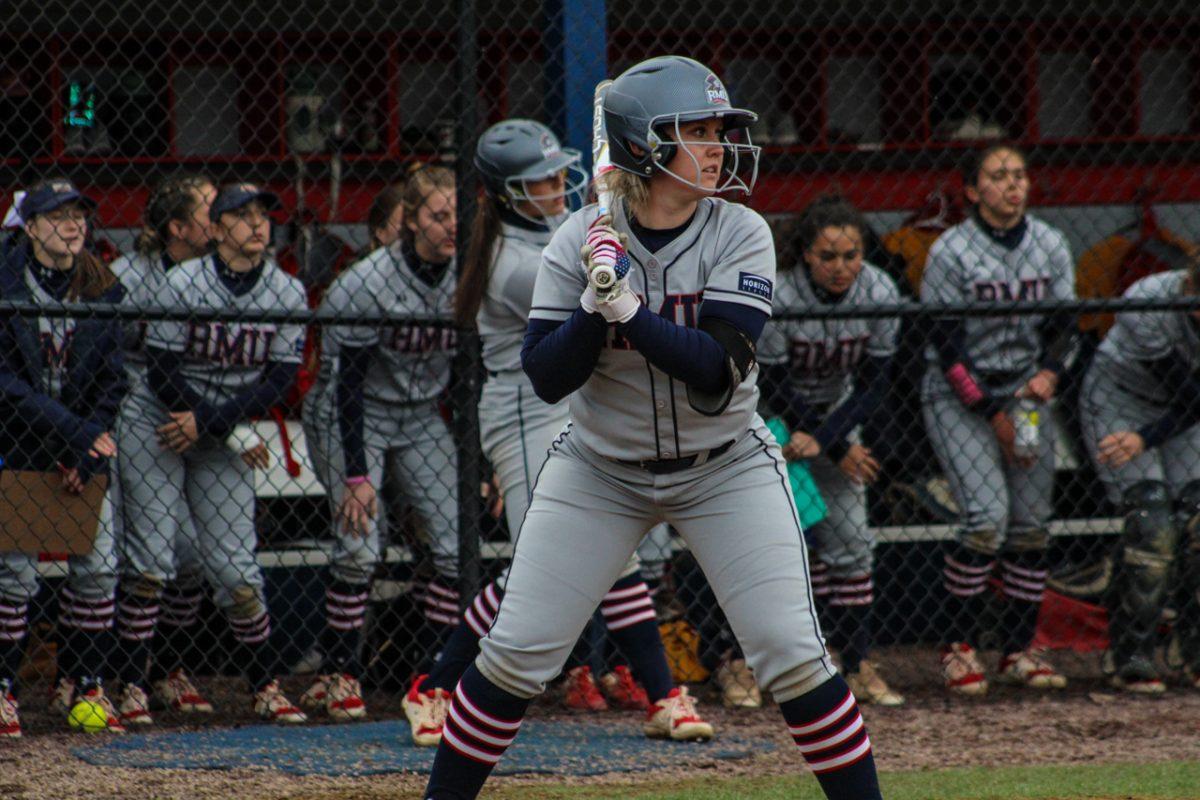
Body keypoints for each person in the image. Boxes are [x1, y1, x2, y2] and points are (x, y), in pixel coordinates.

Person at [423, 55, 882, 800]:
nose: (717, 145)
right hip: (600, 470)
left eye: (717, 130)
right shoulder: (578, 238)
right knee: (512, 657)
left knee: (793, 658)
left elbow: (716, 368)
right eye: (695, 131)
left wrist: (629, 313)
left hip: (725, 464)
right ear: (642, 146)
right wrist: (592, 303)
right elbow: (546, 375)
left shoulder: (742, 232)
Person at [400, 118, 711, 747]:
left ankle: (663, 696)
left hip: (569, 403)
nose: (554, 185)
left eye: (554, 172)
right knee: (543, 566)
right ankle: (434, 687)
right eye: (538, 180)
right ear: (506, 194)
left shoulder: (552, 233)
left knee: (608, 556)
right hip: (525, 410)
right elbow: (605, 296)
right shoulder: (513, 262)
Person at [114, 182, 309, 724]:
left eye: (262, 215)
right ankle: (131, 684)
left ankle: (264, 685)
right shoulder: (182, 281)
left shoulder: (287, 291)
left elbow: (281, 379)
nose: (256, 225)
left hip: (219, 428)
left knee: (233, 567)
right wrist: (209, 423)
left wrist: (214, 426)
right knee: (152, 558)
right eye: (240, 216)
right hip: (158, 420)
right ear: (217, 229)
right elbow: (161, 368)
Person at [300, 166, 460, 721]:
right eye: (439, 216)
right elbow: (346, 385)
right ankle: (339, 671)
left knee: (453, 547)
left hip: (419, 414)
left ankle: (432, 673)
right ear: (411, 220)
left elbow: (471, 375)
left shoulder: (470, 271)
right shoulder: (364, 281)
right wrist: (357, 478)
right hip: (356, 411)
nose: (451, 227)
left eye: (458, 215)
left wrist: (481, 461)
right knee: (361, 543)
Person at [920, 143, 1077, 695]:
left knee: (1031, 526)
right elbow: (944, 341)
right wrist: (991, 412)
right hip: (960, 393)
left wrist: (1050, 375)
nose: (1012, 184)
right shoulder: (951, 250)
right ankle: (957, 648)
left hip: (1027, 393)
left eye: (1019, 174)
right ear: (971, 190)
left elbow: (1064, 323)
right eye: (997, 175)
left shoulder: (1051, 243)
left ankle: (1017, 649)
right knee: (986, 520)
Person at [758, 195, 904, 707]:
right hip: (773, 421)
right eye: (828, 257)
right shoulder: (781, 292)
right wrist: (824, 440)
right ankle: (760, 664)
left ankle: (857, 662)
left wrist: (833, 441)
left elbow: (873, 383)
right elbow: (773, 385)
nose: (841, 267)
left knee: (852, 544)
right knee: (781, 547)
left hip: (836, 414)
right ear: (805, 256)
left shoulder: (880, 288)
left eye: (851, 255)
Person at [106, 174, 236, 723]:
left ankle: (168, 671)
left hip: (189, 411)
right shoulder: (125, 276)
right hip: (129, 412)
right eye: (210, 209)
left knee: (191, 557)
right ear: (177, 227)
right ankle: (115, 679)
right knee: (138, 555)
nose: (223, 215)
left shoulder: (219, 276)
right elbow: (99, 360)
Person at [0, 179, 126, 736]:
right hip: (19, 445)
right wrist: (75, 434)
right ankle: (4, 687)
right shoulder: (6, 285)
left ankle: (86, 684)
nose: (73, 224)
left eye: (79, 213)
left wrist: (87, 448)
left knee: (98, 569)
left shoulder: (103, 288)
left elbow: (112, 380)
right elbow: (6, 385)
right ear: (29, 228)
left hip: (80, 449)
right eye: (57, 216)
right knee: (16, 579)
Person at [1080, 262, 1200, 693]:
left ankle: (1194, 651)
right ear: (1189, 287)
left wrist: (1147, 438)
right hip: (1122, 402)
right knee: (1152, 522)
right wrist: (1142, 439)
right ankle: (1130, 653)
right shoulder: (1149, 300)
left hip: (1181, 416)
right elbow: (1188, 393)